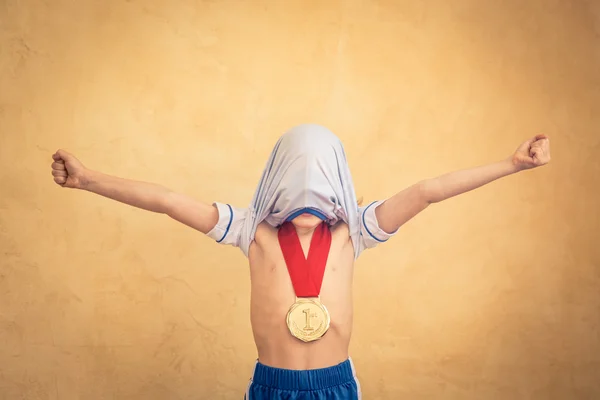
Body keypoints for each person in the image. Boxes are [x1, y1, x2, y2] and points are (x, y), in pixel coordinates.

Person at [50, 124, 551, 399]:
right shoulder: (251, 231)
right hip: (272, 386)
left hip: (336, 386)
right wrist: (89, 179)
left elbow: (427, 192)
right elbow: (165, 200)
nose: (308, 193)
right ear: (275, 180)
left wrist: (511, 165)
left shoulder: (356, 230)